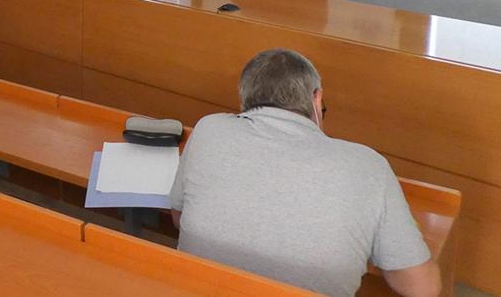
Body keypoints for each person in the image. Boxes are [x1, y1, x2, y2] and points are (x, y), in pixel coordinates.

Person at [169, 48, 440, 297]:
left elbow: (180, 217)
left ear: (244, 99)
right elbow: (423, 288)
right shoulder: (369, 165)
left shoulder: (209, 129)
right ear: (316, 98)